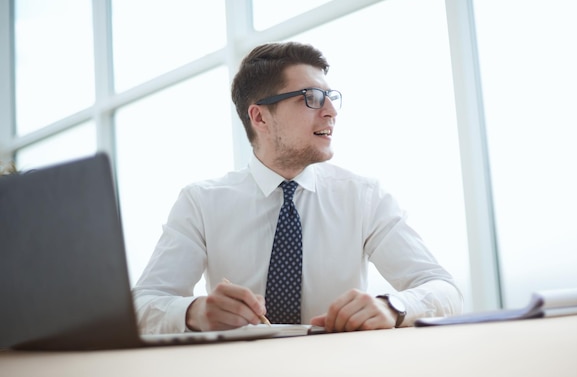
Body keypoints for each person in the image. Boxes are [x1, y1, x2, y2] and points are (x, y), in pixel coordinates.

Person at [132, 41, 462, 334]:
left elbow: (444, 289)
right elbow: (142, 306)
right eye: (312, 98)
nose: (331, 111)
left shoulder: (364, 197)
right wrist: (195, 312)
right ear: (259, 118)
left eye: (330, 97)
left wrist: (393, 307)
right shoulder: (200, 202)